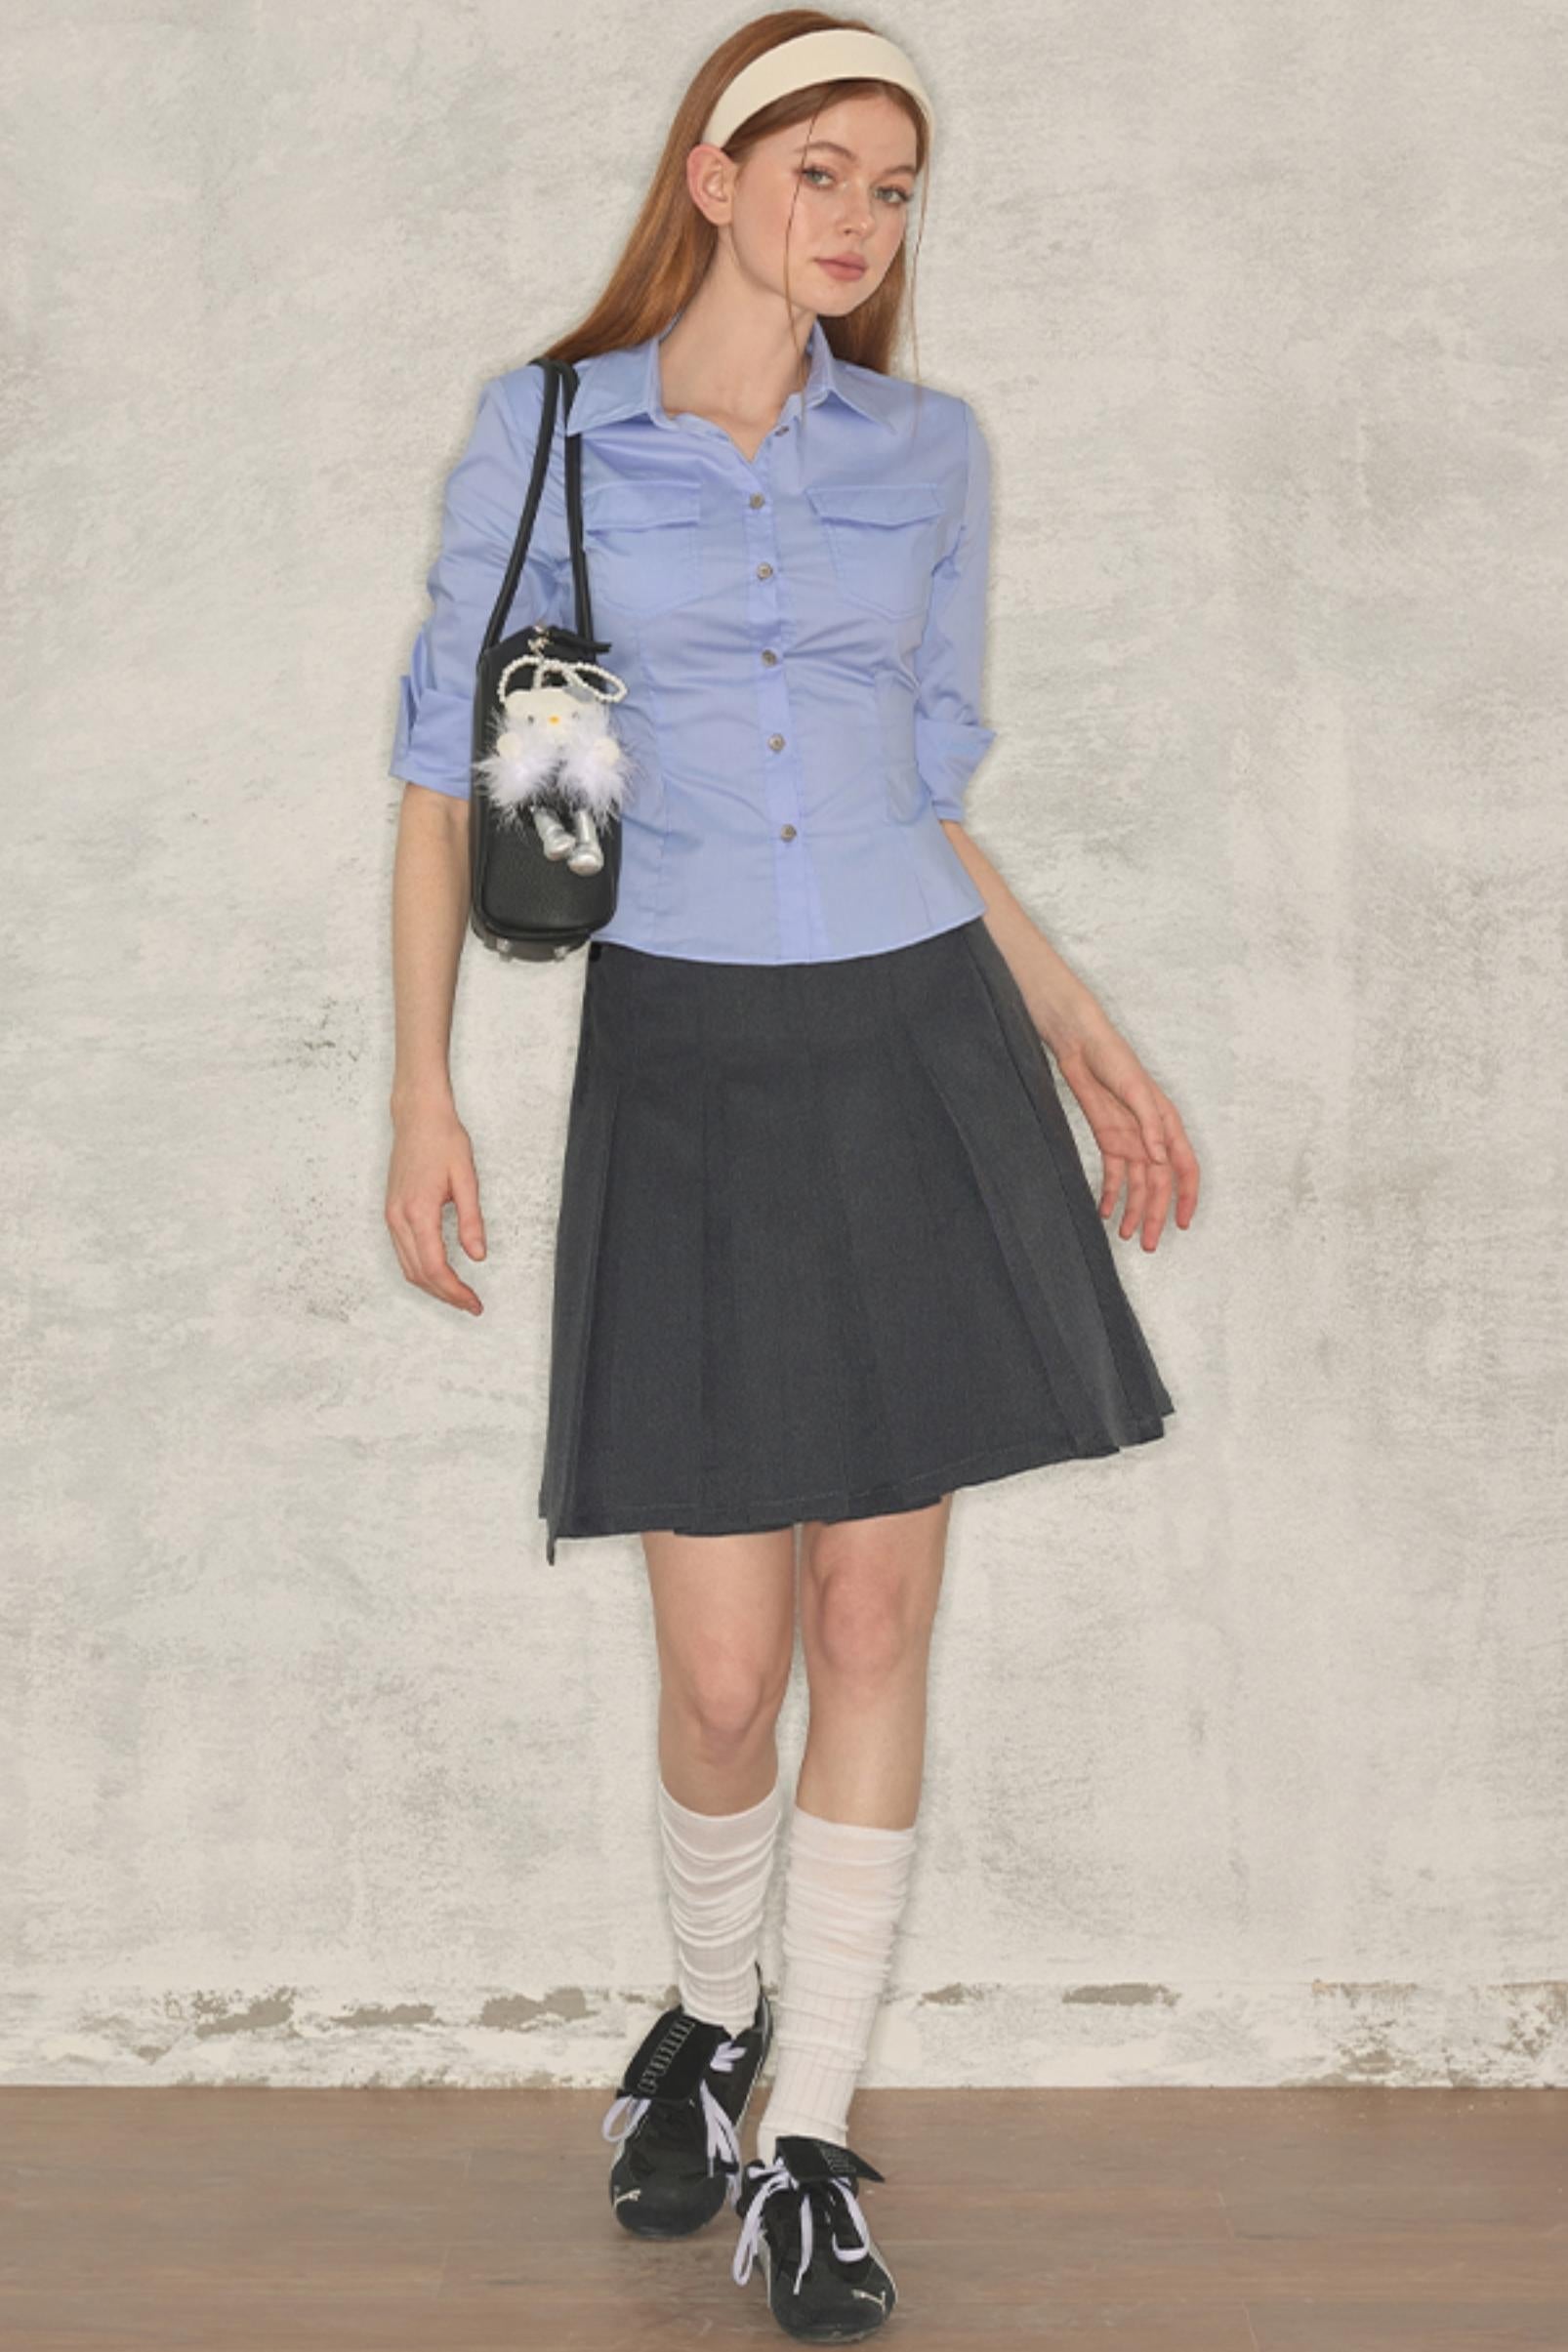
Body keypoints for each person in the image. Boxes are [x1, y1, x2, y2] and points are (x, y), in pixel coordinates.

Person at [383, 14, 1199, 2341]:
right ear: (715, 176)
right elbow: (443, 770)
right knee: (725, 1670)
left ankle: (805, 2139)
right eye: (819, 168)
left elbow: (918, 781)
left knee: (869, 1618)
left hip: (914, 1041)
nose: (857, 218)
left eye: (893, 185)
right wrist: (421, 1093)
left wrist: (1074, 1023)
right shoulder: (551, 429)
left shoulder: (923, 453)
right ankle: (706, 2007)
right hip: (686, 1062)